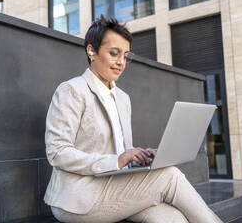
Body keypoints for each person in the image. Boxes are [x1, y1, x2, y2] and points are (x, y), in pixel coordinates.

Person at [44, 15, 223, 223]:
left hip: (117, 188)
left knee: (172, 219)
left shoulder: (122, 98)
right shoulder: (72, 91)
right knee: (169, 175)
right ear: (91, 51)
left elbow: (120, 151)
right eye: (114, 53)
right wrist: (117, 160)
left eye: (125, 55)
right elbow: (57, 152)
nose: (121, 62)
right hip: (79, 198)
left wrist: (138, 157)